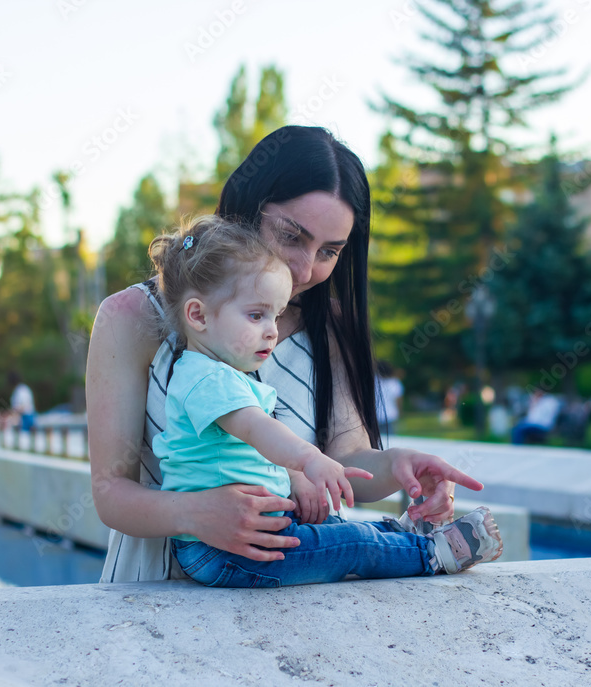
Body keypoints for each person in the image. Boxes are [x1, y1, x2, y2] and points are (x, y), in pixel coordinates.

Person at [87, 125, 487, 584]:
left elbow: (347, 464)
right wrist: (194, 513)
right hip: (158, 590)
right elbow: (109, 492)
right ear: (246, 210)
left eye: (329, 251)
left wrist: (399, 466)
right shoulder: (132, 316)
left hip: (288, 593)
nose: (304, 268)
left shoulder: (328, 323)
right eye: (292, 236)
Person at [148, 216, 501, 586]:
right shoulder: (207, 378)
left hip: (241, 538)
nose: (271, 329)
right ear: (198, 315)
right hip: (223, 551)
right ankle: (431, 554)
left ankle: (402, 537)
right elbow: (257, 429)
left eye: (277, 314)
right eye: (256, 315)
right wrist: (311, 460)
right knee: (350, 544)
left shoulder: (216, 373)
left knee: (331, 527)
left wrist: (296, 477)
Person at [375, 361, 404, 438]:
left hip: (376, 416)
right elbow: (398, 401)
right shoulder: (395, 383)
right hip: (390, 416)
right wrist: (400, 413)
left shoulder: (374, 381)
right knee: (390, 440)